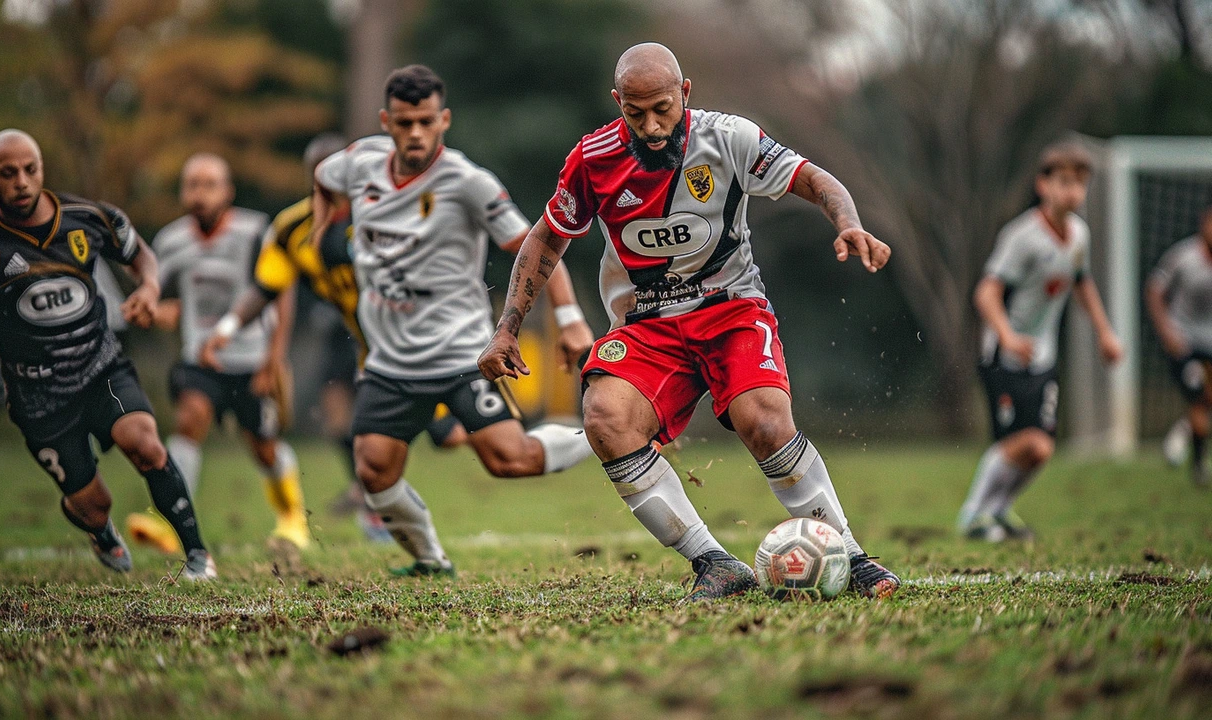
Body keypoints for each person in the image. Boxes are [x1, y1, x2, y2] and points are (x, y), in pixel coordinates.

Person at [479, 43, 900, 602]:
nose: (652, 128)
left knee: (766, 424)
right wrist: (508, 325)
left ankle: (849, 554)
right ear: (617, 103)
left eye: (663, 110)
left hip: (731, 307)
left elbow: (816, 180)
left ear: (685, 93)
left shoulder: (731, 139)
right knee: (605, 419)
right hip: (647, 323)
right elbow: (546, 239)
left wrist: (847, 222)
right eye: (636, 114)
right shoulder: (593, 158)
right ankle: (713, 563)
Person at [310, 65, 597, 576]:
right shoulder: (357, 165)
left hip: (463, 353)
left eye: (425, 121)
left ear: (443, 119)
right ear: (386, 122)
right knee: (374, 471)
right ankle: (430, 561)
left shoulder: (468, 183)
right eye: (403, 123)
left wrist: (570, 316)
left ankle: (604, 435)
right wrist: (320, 228)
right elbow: (322, 177)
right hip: (390, 362)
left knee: (510, 460)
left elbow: (539, 245)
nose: (414, 133)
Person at [0, 129, 215, 579]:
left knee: (146, 444)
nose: (22, 182)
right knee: (93, 505)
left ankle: (199, 555)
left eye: (31, 169)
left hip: (100, 368)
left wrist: (149, 287)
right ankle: (100, 531)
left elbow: (140, 253)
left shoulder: (86, 217)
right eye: (8, 174)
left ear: (42, 167)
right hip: (38, 395)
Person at [200, 133, 467, 545]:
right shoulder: (292, 228)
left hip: (411, 339)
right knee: (342, 421)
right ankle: (375, 500)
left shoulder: (385, 214)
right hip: (351, 337)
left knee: (450, 438)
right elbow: (266, 287)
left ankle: (380, 481)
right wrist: (226, 329)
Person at [131, 152, 310, 551]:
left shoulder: (254, 232)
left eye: (209, 184)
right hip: (201, 359)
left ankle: (292, 518)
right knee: (189, 420)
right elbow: (163, 293)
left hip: (252, 360)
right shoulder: (171, 240)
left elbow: (280, 291)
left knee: (263, 448)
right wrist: (153, 309)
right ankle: (170, 520)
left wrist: (274, 358)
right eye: (192, 185)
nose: (200, 194)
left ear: (227, 191)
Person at [958, 142, 1124, 541]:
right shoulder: (1022, 237)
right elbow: (986, 292)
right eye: (1064, 181)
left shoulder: (1079, 235)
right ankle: (972, 516)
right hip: (1004, 355)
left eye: (1080, 183)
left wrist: (1105, 332)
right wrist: (1008, 336)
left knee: (1041, 449)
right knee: (1022, 442)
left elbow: (1081, 284)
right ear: (1043, 184)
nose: (1073, 191)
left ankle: (998, 511)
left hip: (1043, 355)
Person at [1146, 204, 1212, 487]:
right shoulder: (1183, 256)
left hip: (1210, 341)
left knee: (1207, 401)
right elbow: (1154, 289)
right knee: (1199, 395)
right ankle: (1198, 466)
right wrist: (1166, 331)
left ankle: (1184, 431)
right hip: (1184, 342)